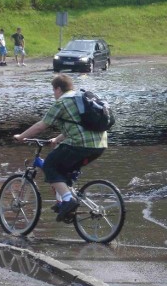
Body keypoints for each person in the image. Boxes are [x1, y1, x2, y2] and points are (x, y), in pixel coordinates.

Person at [14, 74, 107, 221]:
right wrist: (57, 139)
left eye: (53, 90)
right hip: (100, 145)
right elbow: (78, 125)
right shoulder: (80, 98)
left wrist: (22, 136)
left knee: (50, 165)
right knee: (63, 171)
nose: (53, 94)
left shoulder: (62, 102)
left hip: (80, 145)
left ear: (58, 88)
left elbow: (41, 125)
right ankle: (66, 203)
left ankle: (68, 199)